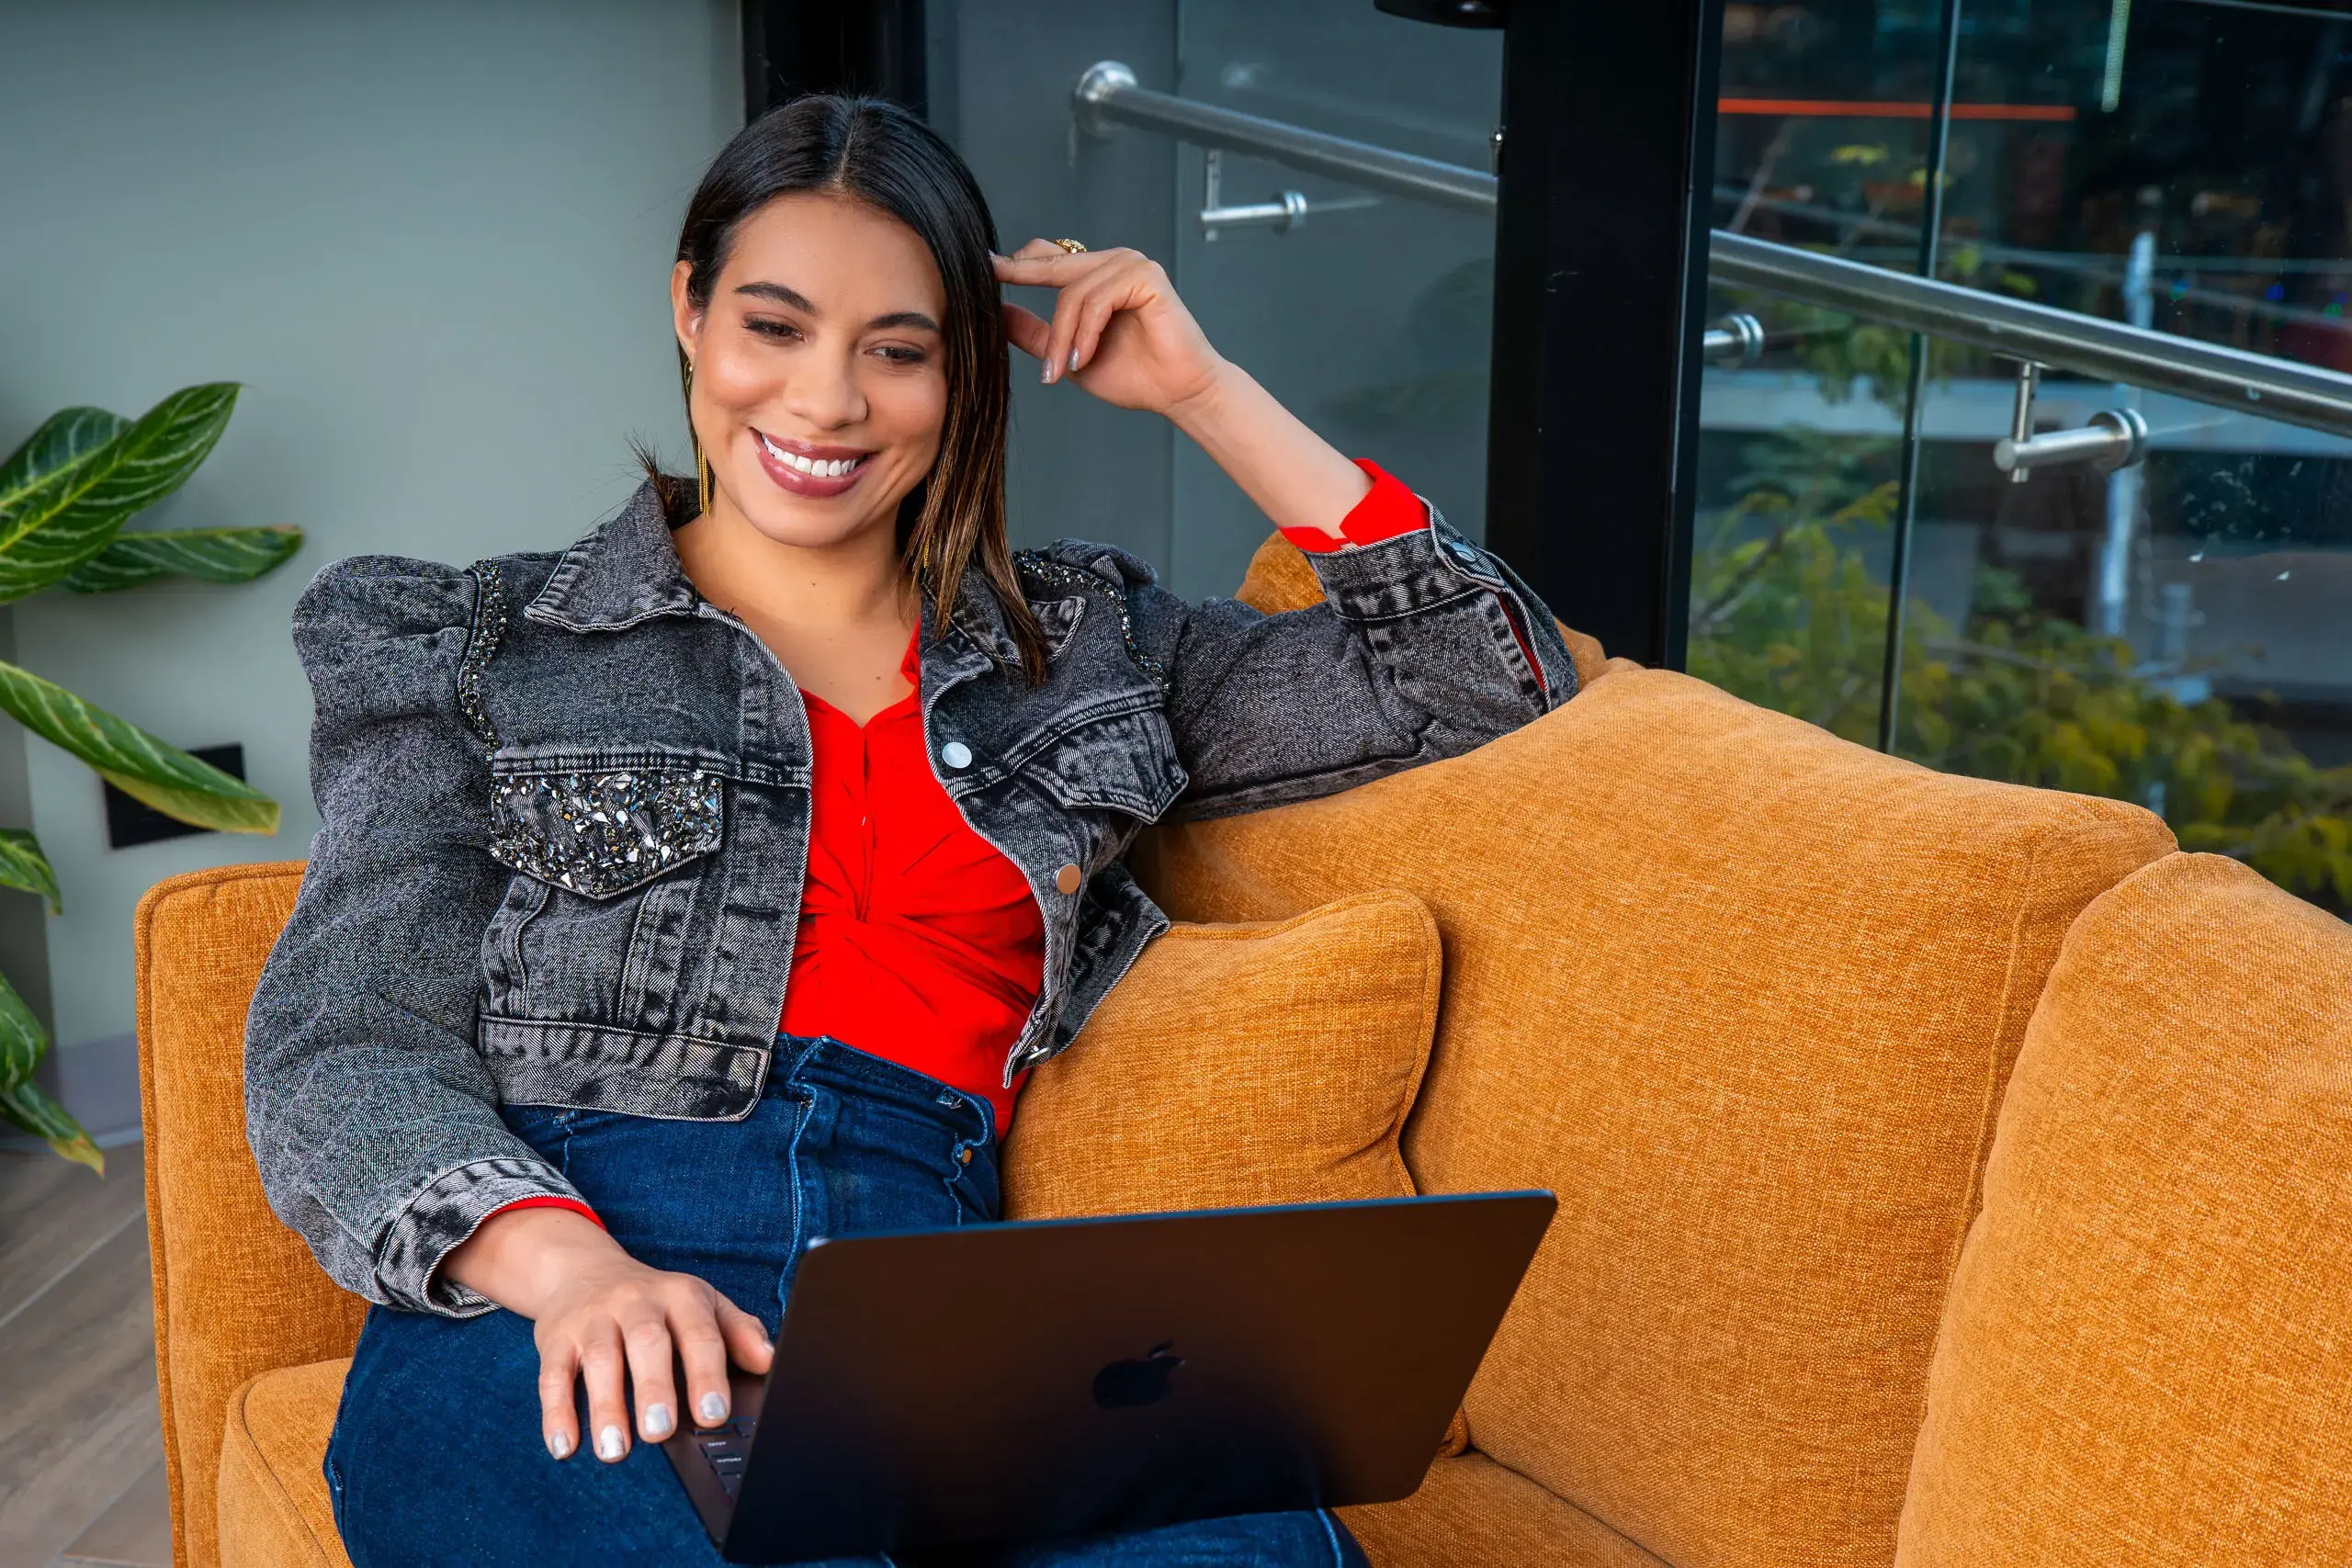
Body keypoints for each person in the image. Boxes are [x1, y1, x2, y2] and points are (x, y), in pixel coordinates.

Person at [245, 94, 1576, 1568]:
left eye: (898, 349)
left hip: (937, 1302)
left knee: (1261, 1545)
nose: (825, 403)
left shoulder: (1086, 646)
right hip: (574, 1273)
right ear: (689, 313)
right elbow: (344, 1042)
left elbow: (1479, 675)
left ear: (963, 381)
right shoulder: (478, 643)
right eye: (775, 326)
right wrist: (572, 1270)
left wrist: (1205, 390)